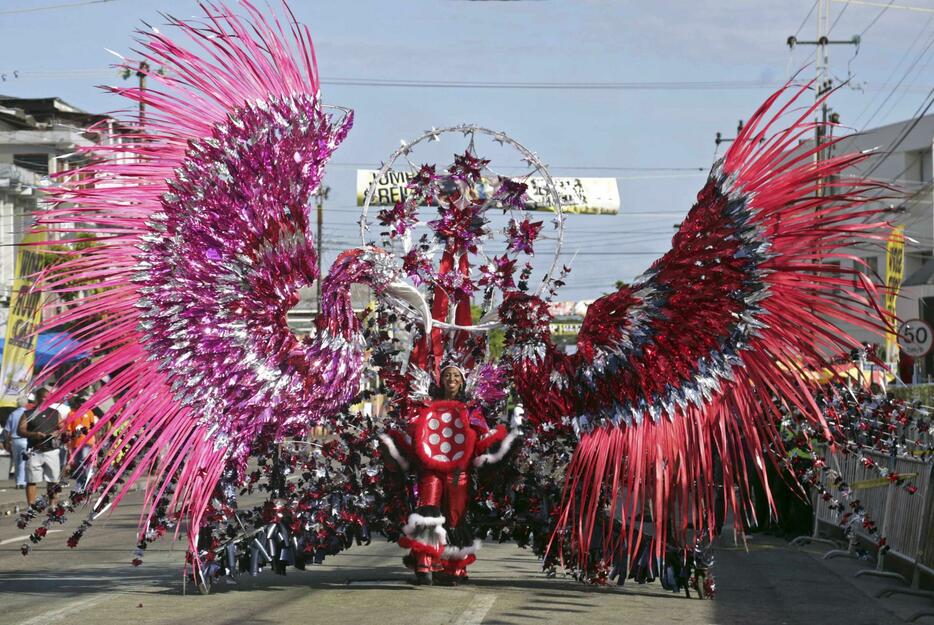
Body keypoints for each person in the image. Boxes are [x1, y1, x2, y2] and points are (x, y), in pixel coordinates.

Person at [381, 363, 519, 585]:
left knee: (455, 518)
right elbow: (416, 431)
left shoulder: (471, 407)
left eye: (456, 375)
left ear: (462, 381)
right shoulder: (428, 405)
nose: (451, 379)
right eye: (447, 375)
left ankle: (454, 567)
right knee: (428, 511)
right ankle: (425, 561)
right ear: (440, 380)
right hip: (430, 468)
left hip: (458, 471)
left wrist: (502, 439)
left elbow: (481, 435)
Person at [17, 388, 63, 506]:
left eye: (47, 398)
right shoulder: (28, 413)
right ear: (37, 398)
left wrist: (57, 433)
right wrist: (34, 434)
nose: (44, 400)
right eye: (42, 398)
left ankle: (52, 505)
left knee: (53, 480)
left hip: (51, 450)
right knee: (31, 480)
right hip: (34, 450)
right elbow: (20, 430)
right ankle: (31, 506)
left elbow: (63, 428)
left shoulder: (55, 413)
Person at [2, 394, 31, 489]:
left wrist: (7, 441)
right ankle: (23, 481)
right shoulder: (28, 413)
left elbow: (7, 430)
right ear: (26, 404)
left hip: (14, 440)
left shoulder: (13, 414)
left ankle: (19, 482)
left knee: (17, 461)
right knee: (25, 461)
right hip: (25, 439)